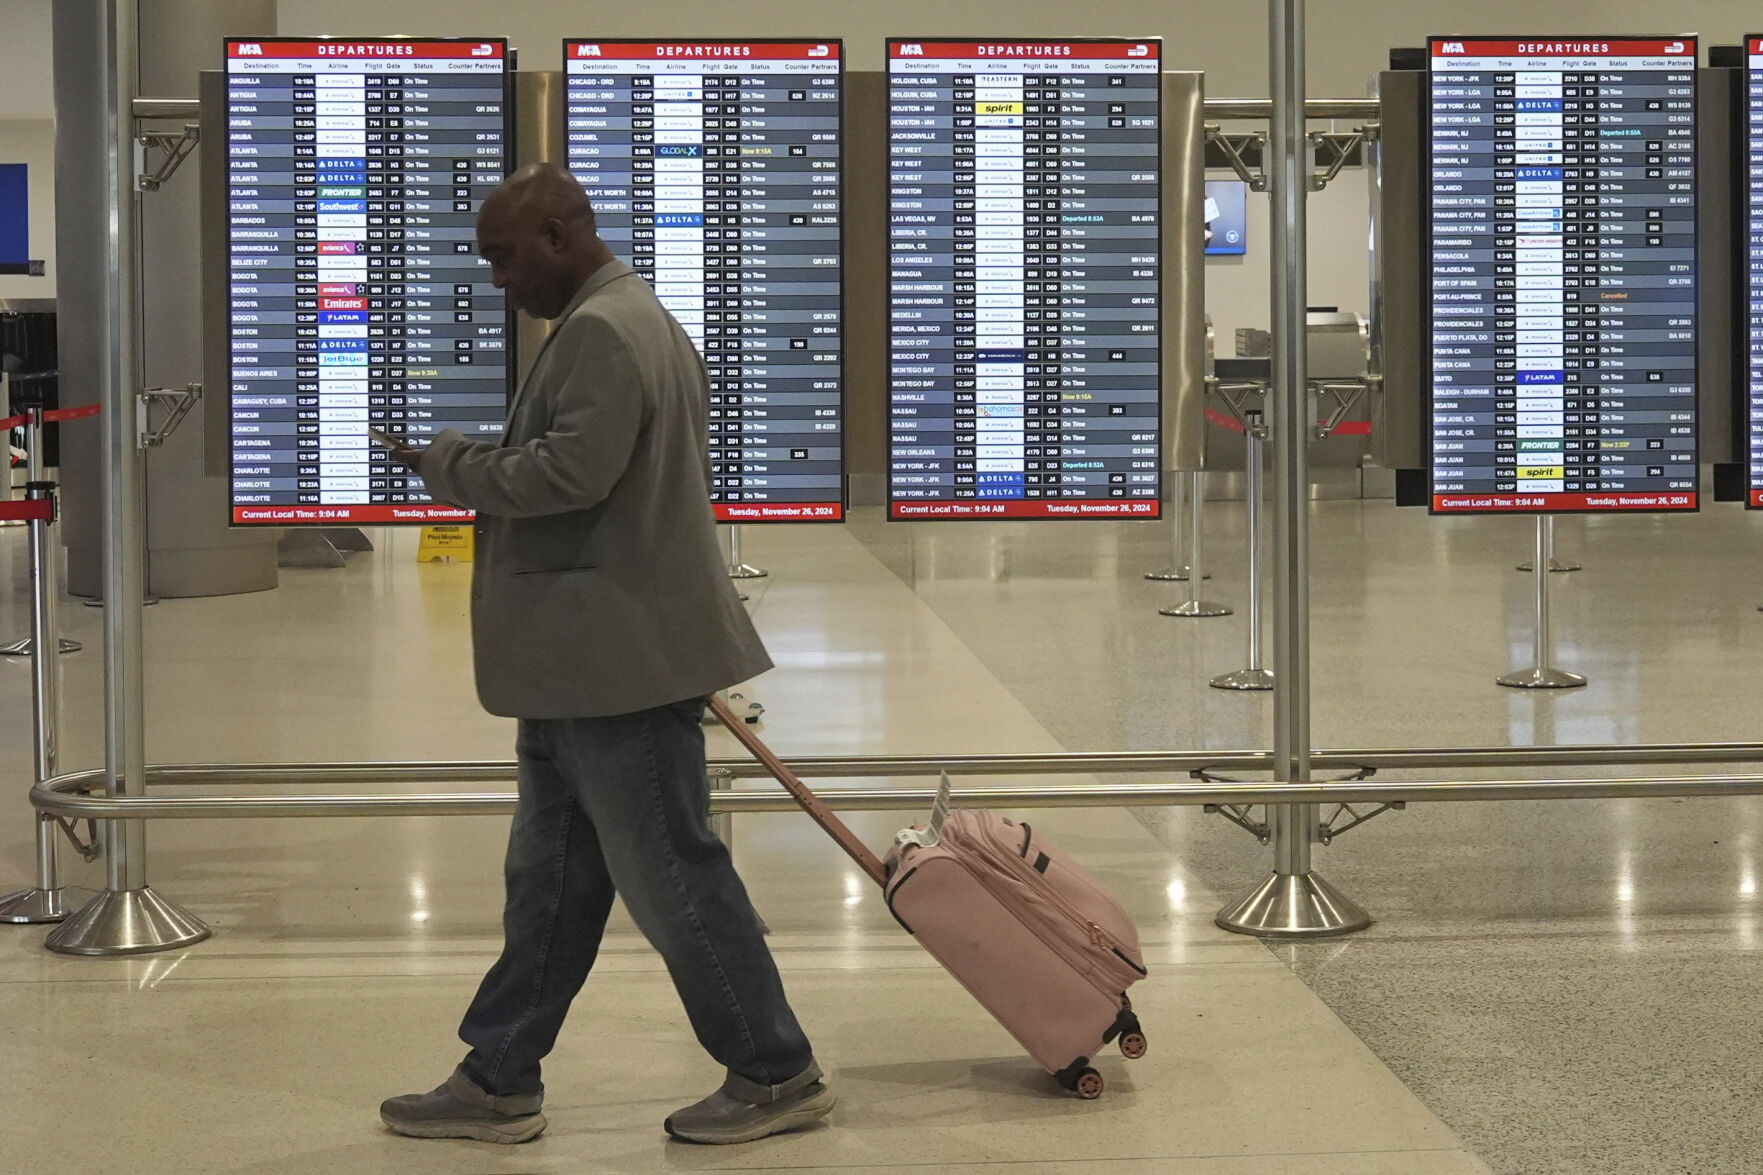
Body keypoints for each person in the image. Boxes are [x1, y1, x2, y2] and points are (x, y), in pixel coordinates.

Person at [376, 163, 834, 1147]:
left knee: (673, 876)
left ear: (553, 234)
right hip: (581, 663)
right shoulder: (635, 317)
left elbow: (569, 474)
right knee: (550, 881)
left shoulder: (598, 330)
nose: (497, 278)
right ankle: (497, 1072)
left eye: (502, 256)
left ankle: (774, 1068)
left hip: (615, 664)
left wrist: (450, 461)